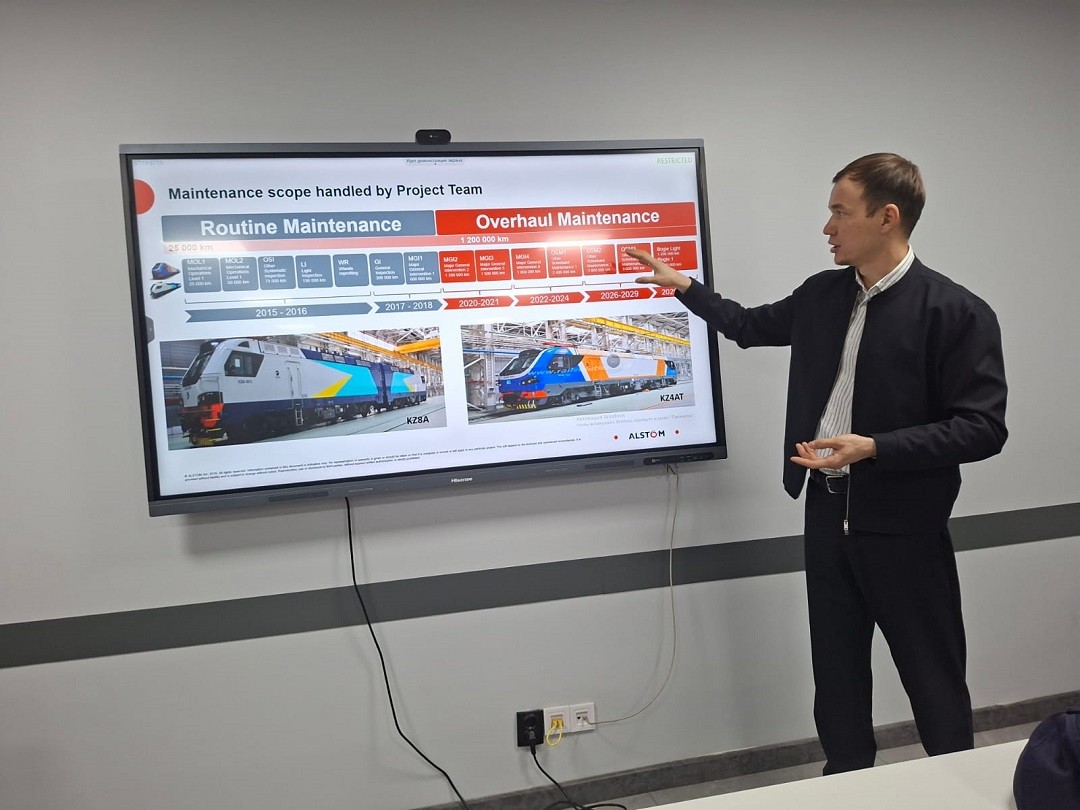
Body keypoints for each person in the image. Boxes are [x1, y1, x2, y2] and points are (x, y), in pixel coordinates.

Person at [629, 153, 1008, 775]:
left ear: (887, 217)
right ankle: (846, 781)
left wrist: (875, 447)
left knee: (932, 674)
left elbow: (983, 427)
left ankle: (960, 782)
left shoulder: (955, 312)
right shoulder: (822, 294)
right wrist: (686, 288)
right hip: (827, 513)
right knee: (835, 673)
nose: (827, 228)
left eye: (839, 212)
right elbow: (748, 326)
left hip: (905, 525)